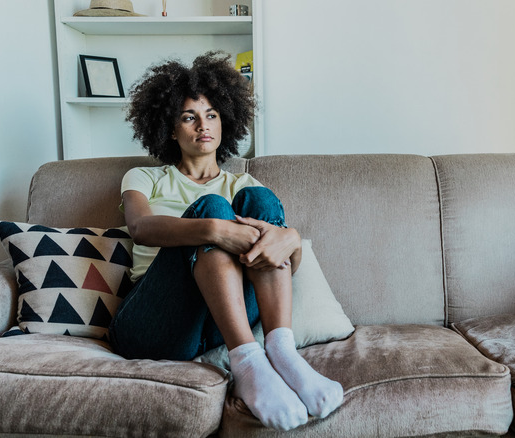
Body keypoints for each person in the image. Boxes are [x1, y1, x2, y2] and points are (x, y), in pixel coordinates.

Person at [108, 51, 343, 431]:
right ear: (170, 129)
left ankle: (281, 353)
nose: (203, 125)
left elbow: (284, 262)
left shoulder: (244, 185)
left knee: (261, 202)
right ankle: (248, 362)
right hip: (158, 320)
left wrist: (291, 239)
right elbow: (141, 227)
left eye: (212, 115)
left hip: (223, 317)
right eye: (189, 117)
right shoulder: (143, 178)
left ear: (225, 122)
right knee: (213, 206)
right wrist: (215, 228)